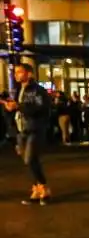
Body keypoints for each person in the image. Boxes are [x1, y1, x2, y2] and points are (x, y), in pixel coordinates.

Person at [4, 63, 52, 205]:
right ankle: (36, 189)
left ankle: (44, 187)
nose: (16, 75)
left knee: (30, 159)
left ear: (29, 74)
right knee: (31, 161)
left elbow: (40, 108)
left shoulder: (38, 90)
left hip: (34, 129)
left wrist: (18, 106)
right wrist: (10, 108)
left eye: (19, 72)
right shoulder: (19, 89)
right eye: (16, 72)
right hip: (21, 130)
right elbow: (18, 112)